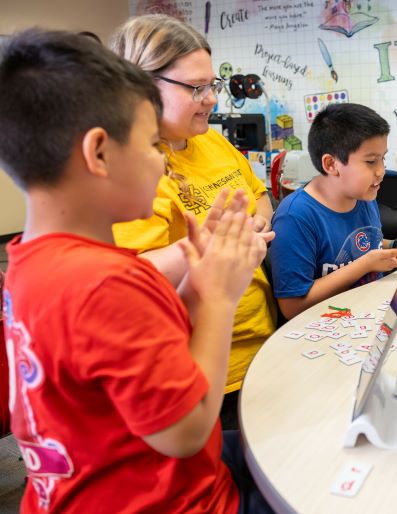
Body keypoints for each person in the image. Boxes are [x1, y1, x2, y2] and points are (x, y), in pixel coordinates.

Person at [0, 29, 273, 512]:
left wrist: (200, 266)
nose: (164, 165)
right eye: (151, 145)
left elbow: (146, 336)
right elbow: (186, 432)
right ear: (99, 152)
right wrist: (216, 297)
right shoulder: (105, 284)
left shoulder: (31, 260)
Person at [109, 15, 277, 423]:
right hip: (203, 363)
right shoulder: (131, 167)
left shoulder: (212, 140)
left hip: (263, 342)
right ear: (142, 87)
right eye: (197, 89)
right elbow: (132, 275)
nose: (213, 100)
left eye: (212, 85)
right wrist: (215, 245)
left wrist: (248, 228)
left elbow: (260, 196)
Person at [269, 103, 397, 319]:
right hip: (319, 333)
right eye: (371, 161)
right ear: (331, 164)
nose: (381, 171)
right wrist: (365, 264)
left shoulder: (363, 196)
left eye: (383, 158)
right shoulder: (295, 217)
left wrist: (396, 245)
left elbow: (364, 240)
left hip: (368, 316)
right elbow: (292, 307)